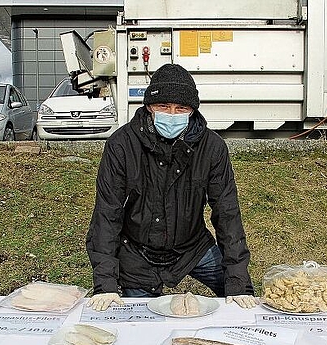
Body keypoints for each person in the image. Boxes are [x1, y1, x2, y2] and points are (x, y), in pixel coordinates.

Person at [86, 63, 256, 311]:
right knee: (142, 323)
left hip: (193, 247)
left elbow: (227, 213)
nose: (172, 114)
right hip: (136, 252)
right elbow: (106, 214)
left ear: (192, 111)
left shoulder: (212, 147)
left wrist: (238, 283)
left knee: (239, 303)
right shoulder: (121, 145)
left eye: (181, 108)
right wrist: (105, 285)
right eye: (163, 106)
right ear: (148, 107)